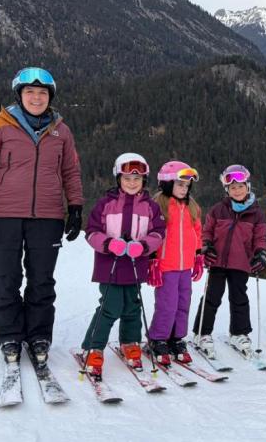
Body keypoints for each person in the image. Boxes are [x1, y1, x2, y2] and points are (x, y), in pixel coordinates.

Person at [0, 67, 83, 366]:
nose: (36, 97)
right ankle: (9, 335)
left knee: (42, 281)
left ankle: (38, 335)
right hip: (3, 215)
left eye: (42, 93)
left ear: (50, 97)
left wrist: (76, 207)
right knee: (4, 279)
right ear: (19, 95)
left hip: (47, 217)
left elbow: (70, 172)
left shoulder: (61, 131)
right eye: (30, 92)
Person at [80, 153, 165, 378]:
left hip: (136, 266)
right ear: (118, 178)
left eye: (136, 179)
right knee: (110, 307)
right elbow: (91, 233)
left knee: (132, 307)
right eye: (126, 178)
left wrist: (144, 246)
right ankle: (93, 347)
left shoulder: (150, 207)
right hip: (110, 266)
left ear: (144, 180)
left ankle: (130, 342)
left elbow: (158, 233)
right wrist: (108, 244)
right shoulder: (105, 204)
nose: (131, 183)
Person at [192, 165, 266, 359]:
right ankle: (202, 333)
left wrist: (261, 253)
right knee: (211, 298)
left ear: (248, 187)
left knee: (239, 298)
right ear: (227, 190)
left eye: (241, 186)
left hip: (241, 262)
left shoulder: (256, 213)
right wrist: (206, 246)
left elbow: (260, 238)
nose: (237, 190)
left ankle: (239, 333)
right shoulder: (218, 210)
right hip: (217, 261)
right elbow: (206, 231)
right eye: (232, 188)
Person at [145, 161, 203, 365]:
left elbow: (197, 232)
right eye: (180, 184)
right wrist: (152, 259)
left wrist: (198, 255)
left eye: (187, 186)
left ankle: (176, 338)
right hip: (166, 266)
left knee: (183, 303)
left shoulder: (192, 206)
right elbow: (151, 233)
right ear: (167, 184)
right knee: (167, 305)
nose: (184, 189)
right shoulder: (158, 205)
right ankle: (158, 338)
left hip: (185, 266)